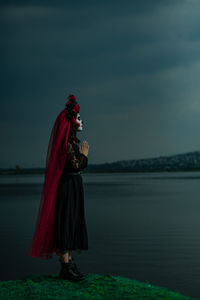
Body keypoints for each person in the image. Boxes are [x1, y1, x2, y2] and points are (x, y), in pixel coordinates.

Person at [26, 94, 89, 282]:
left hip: (73, 185)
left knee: (71, 221)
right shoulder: (67, 144)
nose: (81, 120)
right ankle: (65, 266)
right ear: (70, 122)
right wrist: (85, 155)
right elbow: (76, 164)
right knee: (66, 221)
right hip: (68, 186)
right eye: (78, 118)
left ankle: (69, 264)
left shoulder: (71, 143)